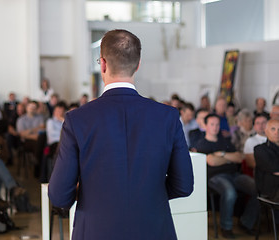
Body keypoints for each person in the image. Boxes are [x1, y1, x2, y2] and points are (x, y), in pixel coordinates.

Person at [48, 29, 194, 240]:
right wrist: (147, 194)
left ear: (103, 64)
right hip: (153, 229)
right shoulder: (168, 116)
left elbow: (59, 195)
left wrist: (88, 193)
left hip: (96, 230)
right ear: (138, 64)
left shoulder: (77, 119)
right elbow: (184, 185)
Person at [195, 113, 258, 238]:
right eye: (212, 124)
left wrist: (221, 155)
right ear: (206, 126)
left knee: (258, 189)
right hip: (215, 178)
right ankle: (226, 227)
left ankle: (245, 222)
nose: (215, 127)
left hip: (234, 174)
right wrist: (229, 158)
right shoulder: (202, 144)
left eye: (217, 124)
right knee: (230, 192)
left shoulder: (225, 141)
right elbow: (211, 161)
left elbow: (240, 158)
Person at [254, 119, 279, 201]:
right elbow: (276, 169)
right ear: (266, 131)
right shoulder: (260, 149)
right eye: (273, 129)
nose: (276, 132)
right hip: (271, 193)